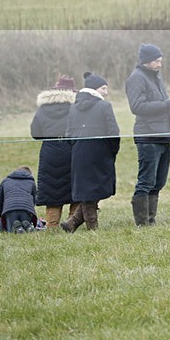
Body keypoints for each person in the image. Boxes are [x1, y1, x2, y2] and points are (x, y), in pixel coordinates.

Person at [125, 44, 170, 226]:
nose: (160, 64)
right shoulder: (136, 79)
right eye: (156, 60)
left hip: (163, 136)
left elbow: (162, 105)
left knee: (158, 181)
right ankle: (142, 223)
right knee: (146, 181)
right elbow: (137, 107)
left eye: (160, 60)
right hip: (148, 137)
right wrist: (168, 104)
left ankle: (150, 220)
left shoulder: (155, 78)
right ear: (146, 61)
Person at [61, 72, 120, 232]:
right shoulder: (104, 106)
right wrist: (111, 152)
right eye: (103, 88)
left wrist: (77, 149)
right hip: (100, 154)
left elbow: (68, 135)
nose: (106, 92)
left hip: (79, 154)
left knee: (90, 189)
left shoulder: (73, 108)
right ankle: (92, 228)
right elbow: (113, 133)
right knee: (93, 190)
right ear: (95, 89)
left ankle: (72, 222)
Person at [30, 75, 77, 229]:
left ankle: (52, 224)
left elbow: (35, 133)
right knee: (75, 186)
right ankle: (72, 221)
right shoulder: (76, 106)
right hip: (72, 149)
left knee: (52, 188)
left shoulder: (43, 108)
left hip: (50, 150)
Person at [0, 166, 38, 233]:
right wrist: (30, 211)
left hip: (9, 210)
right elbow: (35, 199)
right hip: (26, 209)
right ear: (29, 174)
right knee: (26, 232)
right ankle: (26, 226)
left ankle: (17, 228)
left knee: (11, 231)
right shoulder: (31, 182)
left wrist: (2, 215)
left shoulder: (5, 181)